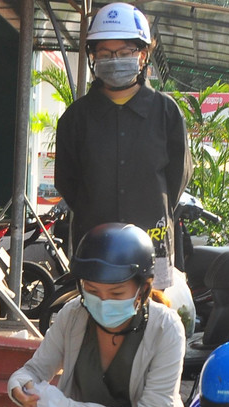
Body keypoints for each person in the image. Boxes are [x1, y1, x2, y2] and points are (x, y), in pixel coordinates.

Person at [7, 223, 184, 407]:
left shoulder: (166, 327)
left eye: (116, 294)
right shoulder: (73, 315)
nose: (103, 302)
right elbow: (34, 370)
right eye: (92, 291)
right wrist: (18, 386)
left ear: (144, 287)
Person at [54, 2, 191, 288]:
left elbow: (177, 178)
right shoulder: (75, 118)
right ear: (93, 57)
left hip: (154, 246)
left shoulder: (166, 113)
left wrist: (147, 205)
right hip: (93, 247)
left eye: (124, 53)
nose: (114, 60)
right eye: (105, 53)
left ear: (142, 56)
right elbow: (67, 181)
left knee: (156, 320)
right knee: (94, 320)